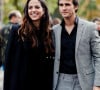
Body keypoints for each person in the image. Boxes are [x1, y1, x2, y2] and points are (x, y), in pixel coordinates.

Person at [3, 0, 54, 90]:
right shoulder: (17, 31)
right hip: (20, 84)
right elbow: (8, 62)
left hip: (42, 84)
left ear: (44, 10)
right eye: (30, 8)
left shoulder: (49, 33)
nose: (33, 10)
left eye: (37, 7)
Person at [52, 0, 100, 90]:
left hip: (85, 81)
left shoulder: (90, 27)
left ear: (76, 6)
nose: (64, 8)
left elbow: (98, 56)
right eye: (61, 5)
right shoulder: (55, 30)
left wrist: (97, 84)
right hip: (61, 81)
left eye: (67, 4)